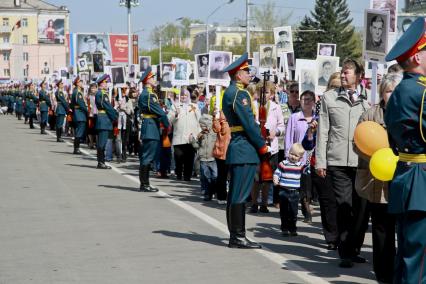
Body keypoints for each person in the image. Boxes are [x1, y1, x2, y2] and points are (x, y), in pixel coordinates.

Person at [316, 58, 370, 268]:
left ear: (358, 76)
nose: (343, 75)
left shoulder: (366, 100)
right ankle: (345, 251)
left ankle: (355, 248)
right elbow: (322, 131)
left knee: (360, 208)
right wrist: (321, 161)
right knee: (344, 205)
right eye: (343, 71)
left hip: (361, 162)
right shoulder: (329, 98)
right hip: (337, 161)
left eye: (348, 72)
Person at [384, 17, 426, 283]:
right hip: (421, 179)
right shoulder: (421, 92)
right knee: (419, 261)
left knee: (407, 256)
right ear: (418, 58)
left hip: (405, 176)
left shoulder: (399, 91)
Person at [355, 73, 402, 283]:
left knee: (402, 228)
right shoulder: (369, 115)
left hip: (402, 178)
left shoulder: (408, 113)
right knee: (382, 227)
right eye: (388, 90)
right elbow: (357, 143)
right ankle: (383, 272)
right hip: (377, 180)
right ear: (382, 92)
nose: (391, 95)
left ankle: (401, 269)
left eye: (395, 90)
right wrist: (376, 156)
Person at [222, 52, 269, 249]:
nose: (250, 74)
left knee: (235, 194)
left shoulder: (232, 92)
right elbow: (249, 124)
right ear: (238, 75)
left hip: (238, 147)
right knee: (240, 195)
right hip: (244, 147)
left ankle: (235, 235)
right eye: (247, 71)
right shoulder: (239, 94)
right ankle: (238, 236)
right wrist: (261, 145)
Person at [138, 67, 169, 191]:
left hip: (149, 125)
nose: (154, 80)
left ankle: (144, 183)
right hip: (151, 127)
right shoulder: (149, 95)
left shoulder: (146, 93)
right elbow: (160, 112)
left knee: (147, 156)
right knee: (148, 156)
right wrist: (167, 124)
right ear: (147, 80)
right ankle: (144, 184)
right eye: (152, 78)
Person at [168, 88, 201, 181]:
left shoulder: (194, 106)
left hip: (191, 137)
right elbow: (170, 119)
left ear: (189, 96)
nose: (183, 97)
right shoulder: (175, 106)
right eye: (182, 95)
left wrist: (199, 133)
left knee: (189, 158)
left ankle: (187, 176)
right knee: (178, 156)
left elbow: (199, 120)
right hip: (179, 136)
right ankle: (178, 174)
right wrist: (176, 114)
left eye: (185, 95)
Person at [273, 143, 305, 236]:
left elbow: (307, 171)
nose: (293, 157)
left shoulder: (300, 166)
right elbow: (277, 172)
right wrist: (275, 179)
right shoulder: (283, 164)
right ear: (288, 152)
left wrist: (308, 163)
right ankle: (284, 229)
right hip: (283, 191)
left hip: (295, 192)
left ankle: (293, 228)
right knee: (284, 211)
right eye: (291, 153)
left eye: (296, 155)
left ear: (300, 158)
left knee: (293, 212)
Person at [190, 114, 217, 201]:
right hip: (203, 159)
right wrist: (193, 141)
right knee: (205, 177)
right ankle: (207, 193)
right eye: (201, 126)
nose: (202, 128)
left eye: (204, 125)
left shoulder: (214, 133)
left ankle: (213, 191)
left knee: (215, 176)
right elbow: (197, 146)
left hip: (213, 158)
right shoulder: (201, 135)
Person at [95, 74, 117, 169]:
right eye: (105, 82)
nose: (107, 84)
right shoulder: (102, 94)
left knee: (101, 142)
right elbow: (108, 107)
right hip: (104, 119)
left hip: (102, 118)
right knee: (102, 143)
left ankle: (100, 162)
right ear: (101, 84)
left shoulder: (100, 93)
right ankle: (101, 162)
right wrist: (115, 116)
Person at [71, 76, 88, 154]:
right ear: (77, 83)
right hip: (80, 113)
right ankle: (76, 148)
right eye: (80, 82)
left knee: (78, 131)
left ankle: (76, 148)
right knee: (79, 132)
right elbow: (81, 104)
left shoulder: (76, 91)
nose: (82, 83)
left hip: (77, 113)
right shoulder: (78, 92)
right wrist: (86, 110)